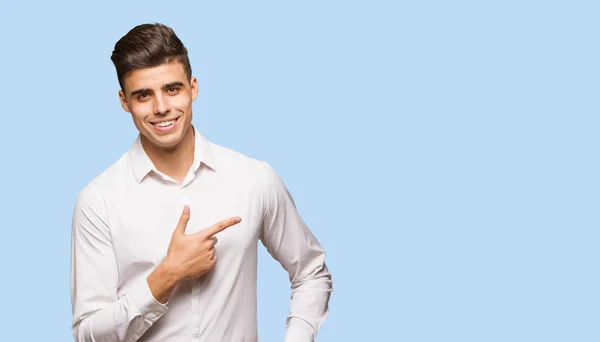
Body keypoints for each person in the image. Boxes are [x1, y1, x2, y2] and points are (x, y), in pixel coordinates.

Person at [70, 23, 332, 342]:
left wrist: (298, 336)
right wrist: (167, 276)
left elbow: (310, 271)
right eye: (143, 95)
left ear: (193, 88)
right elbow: (88, 334)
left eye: (172, 89)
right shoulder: (99, 201)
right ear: (124, 101)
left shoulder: (252, 178)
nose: (162, 107)